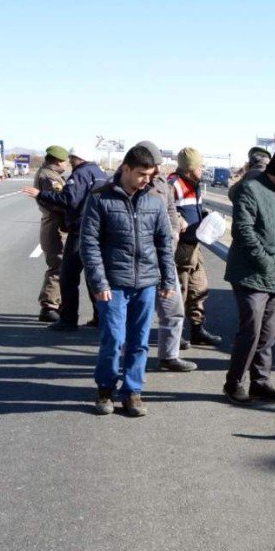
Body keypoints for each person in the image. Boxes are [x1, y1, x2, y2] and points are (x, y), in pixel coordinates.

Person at [80, 145, 178, 417]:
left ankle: (133, 391)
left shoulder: (155, 201)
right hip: (114, 284)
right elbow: (89, 243)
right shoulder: (100, 199)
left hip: (146, 283)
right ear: (125, 168)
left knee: (140, 341)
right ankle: (105, 389)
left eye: (151, 174)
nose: (147, 179)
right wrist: (99, 283)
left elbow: (163, 244)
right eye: (141, 174)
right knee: (113, 338)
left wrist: (168, 280)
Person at [222, 144, 275, 403]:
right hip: (250, 275)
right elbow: (243, 231)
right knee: (251, 332)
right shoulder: (250, 189)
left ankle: (260, 382)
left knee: (268, 334)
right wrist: (265, 262)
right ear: (274, 173)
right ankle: (234, 383)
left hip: (274, 277)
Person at [24, 146, 107, 331]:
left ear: (79, 158)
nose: (70, 162)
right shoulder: (101, 173)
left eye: (72, 158)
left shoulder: (81, 174)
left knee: (68, 275)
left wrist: (41, 194)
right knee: (94, 275)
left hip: (80, 230)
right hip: (100, 230)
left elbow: (68, 199)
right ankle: (100, 317)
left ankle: (68, 319)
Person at [134, 140, 196, 372]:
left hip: (165, 259)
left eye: (159, 165)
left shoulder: (162, 184)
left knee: (173, 310)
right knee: (139, 318)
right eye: (153, 165)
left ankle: (169, 356)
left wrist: (173, 233)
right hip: (139, 264)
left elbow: (171, 211)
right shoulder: (127, 185)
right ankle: (128, 361)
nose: (157, 171)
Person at [169, 147, 222, 347]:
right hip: (180, 247)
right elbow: (164, 209)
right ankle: (175, 334)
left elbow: (193, 209)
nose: (202, 169)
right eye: (200, 166)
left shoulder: (194, 184)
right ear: (190, 167)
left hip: (195, 246)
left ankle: (197, 330)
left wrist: (205, 217)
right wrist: (179, 219)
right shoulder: (173, 184)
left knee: (199, 289)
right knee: (179, 291)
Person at [33, 145, 70, 323]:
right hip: (56, 226)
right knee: (58, 266)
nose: (67, 165)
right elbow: (57, 202)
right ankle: (49, 306)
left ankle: (56, 302)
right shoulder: (49, 177)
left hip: (55, 225)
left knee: (59, 265)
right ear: (57, 162)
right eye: (65, 162)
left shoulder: (49, 174)